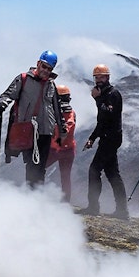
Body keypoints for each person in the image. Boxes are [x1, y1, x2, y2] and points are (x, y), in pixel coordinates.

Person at [0, 50, 66, 187]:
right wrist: (3, 102)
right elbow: (8, 94)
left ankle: (36, 197)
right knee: (33, 165)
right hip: (28, 130)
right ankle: (32, 196)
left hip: (45, 132)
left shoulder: (51, 85)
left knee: (39, 166)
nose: (45, 70)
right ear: (38, 63)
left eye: (49, 68)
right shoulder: (23, 79)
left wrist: (62, 129)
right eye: (44, 66)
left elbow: (57, 108)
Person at [82, 64, 128, 218]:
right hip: (108, 138)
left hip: (111, 138)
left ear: (107, 77)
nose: (98, 80)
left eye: (101, 77)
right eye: (96, 77)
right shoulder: (104, 93)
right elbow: (101, 122)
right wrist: (92, 138)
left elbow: (109, 113)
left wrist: (97, 99)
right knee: (112, 173)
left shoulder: (113, 94)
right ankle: (122, 211)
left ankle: (93, 207)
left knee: (94, 170)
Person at [45, 84, 77, 201]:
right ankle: (65, 202)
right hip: (69, 149)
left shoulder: (53, 112)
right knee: (65, 177)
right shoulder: (72, 113)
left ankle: (36, 196)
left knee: (39, 170)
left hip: (54, 149)